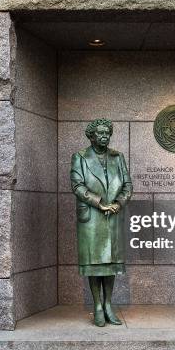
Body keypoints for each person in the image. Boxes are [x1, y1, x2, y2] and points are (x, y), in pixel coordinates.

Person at [70, 118, 132, 327]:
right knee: (95, 263)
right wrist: (99, 203)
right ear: (91, 136)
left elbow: (128, 185)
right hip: (92, 218)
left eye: (108, 133)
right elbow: (77, 185)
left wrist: (118, 203)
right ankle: (97, 305)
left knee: (111, 263)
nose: (105, 137)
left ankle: (108, 304)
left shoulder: (118, 157)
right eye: (101, 133)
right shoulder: (80, 157)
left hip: (113, 215)